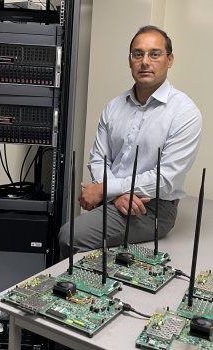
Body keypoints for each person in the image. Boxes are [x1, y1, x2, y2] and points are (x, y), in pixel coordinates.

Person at [59, 25, 202, 260]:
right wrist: (116, 195)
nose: (145, 61)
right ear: (130, 61)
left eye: (154, 54)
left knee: (70, 235)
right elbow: (98, 158)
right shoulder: (114, 107)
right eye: (138, 54)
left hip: (153, 206)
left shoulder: (185, 113)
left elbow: (165, 180)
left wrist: (105, 190)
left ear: (170, 60)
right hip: (114, 196)